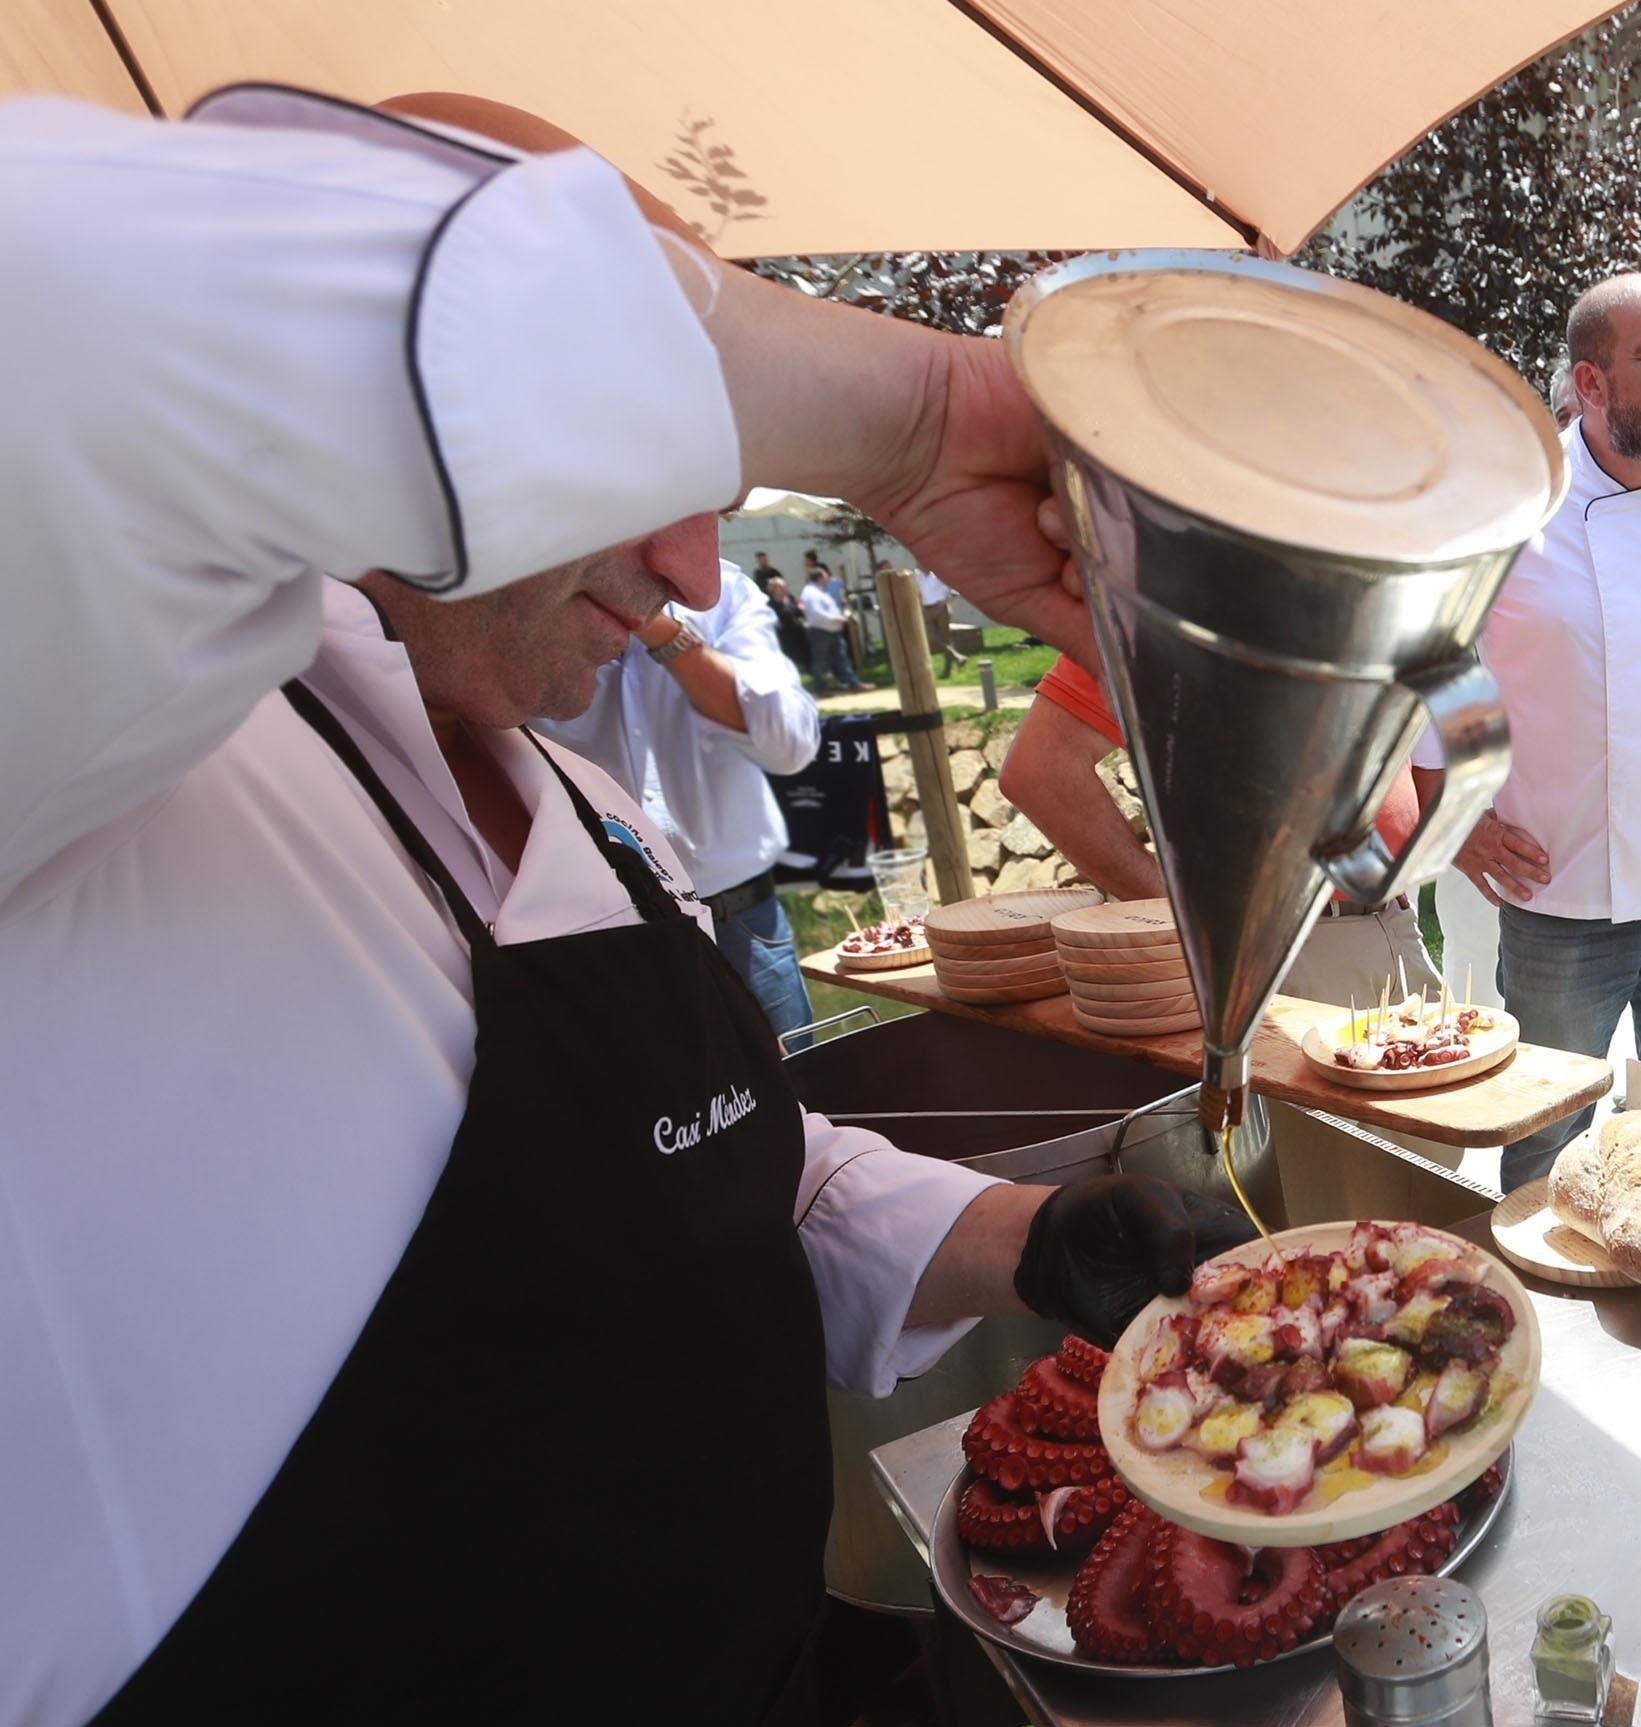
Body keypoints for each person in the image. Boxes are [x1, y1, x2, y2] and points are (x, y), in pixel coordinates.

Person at [0, 88, 1246, 1725]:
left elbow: (722, 1178)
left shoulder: (586, 806)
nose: (686, 556)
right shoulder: (81, 777)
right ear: (392, 414)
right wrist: (918, 420)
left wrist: (1033, 1240)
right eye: (638, 435)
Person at [1415, 272, 1641, 1190]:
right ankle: (1548, 1320)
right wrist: (1451, 822)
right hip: (1562, 892)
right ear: (1588, 383)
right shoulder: (1510, 500)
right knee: (1543, 1143)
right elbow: (1434, 666)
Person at [1001, 652, 1446, 1003]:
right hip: (1287, 951)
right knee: (1319, 1123)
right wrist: (1174, 910)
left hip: (1387, 926)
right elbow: (1040, 770)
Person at [537, 542, 828, 1047]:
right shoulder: (535, 595)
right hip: (601, 929)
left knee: (804, 1097)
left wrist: (664, 632)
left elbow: (790, 746)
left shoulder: (723, 591)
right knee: (656, 1117)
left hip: (742, 920)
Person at [798, 549, 865, 691]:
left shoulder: (820, 592)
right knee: (821, 661)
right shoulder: (810, 593)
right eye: (825, 576)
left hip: (832, 631)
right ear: (819, 578)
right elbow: (817, 613)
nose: (827, 578)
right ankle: (820, 687)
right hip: (820, 632)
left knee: (841, 658)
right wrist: (836, 618)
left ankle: (854, 683)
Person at [762, 569, 816, 673]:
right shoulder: (771, 603)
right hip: (784, 634)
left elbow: (798, 609)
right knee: (790, 654)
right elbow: (769, 617)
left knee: (805, 651)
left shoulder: (790, 598)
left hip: (798, 629)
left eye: (784, 586)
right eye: (780, 587)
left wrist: (801, 609)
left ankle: (810, 670)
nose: (783, 588)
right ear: (774, 589)